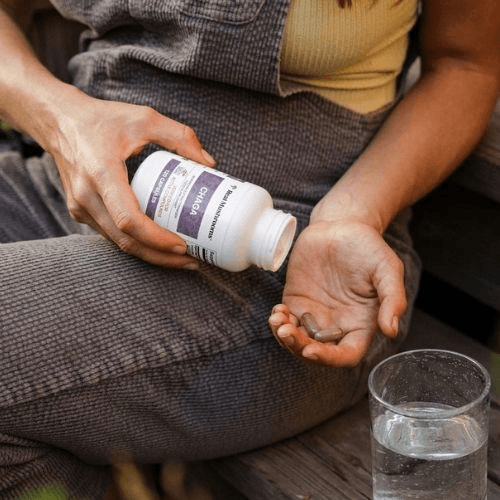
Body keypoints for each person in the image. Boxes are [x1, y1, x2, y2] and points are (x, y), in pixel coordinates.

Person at [0, 0, 498, 497]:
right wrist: (62, 121)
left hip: (300, 269)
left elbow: (466, 65)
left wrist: (351, 214)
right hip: (73, 183)